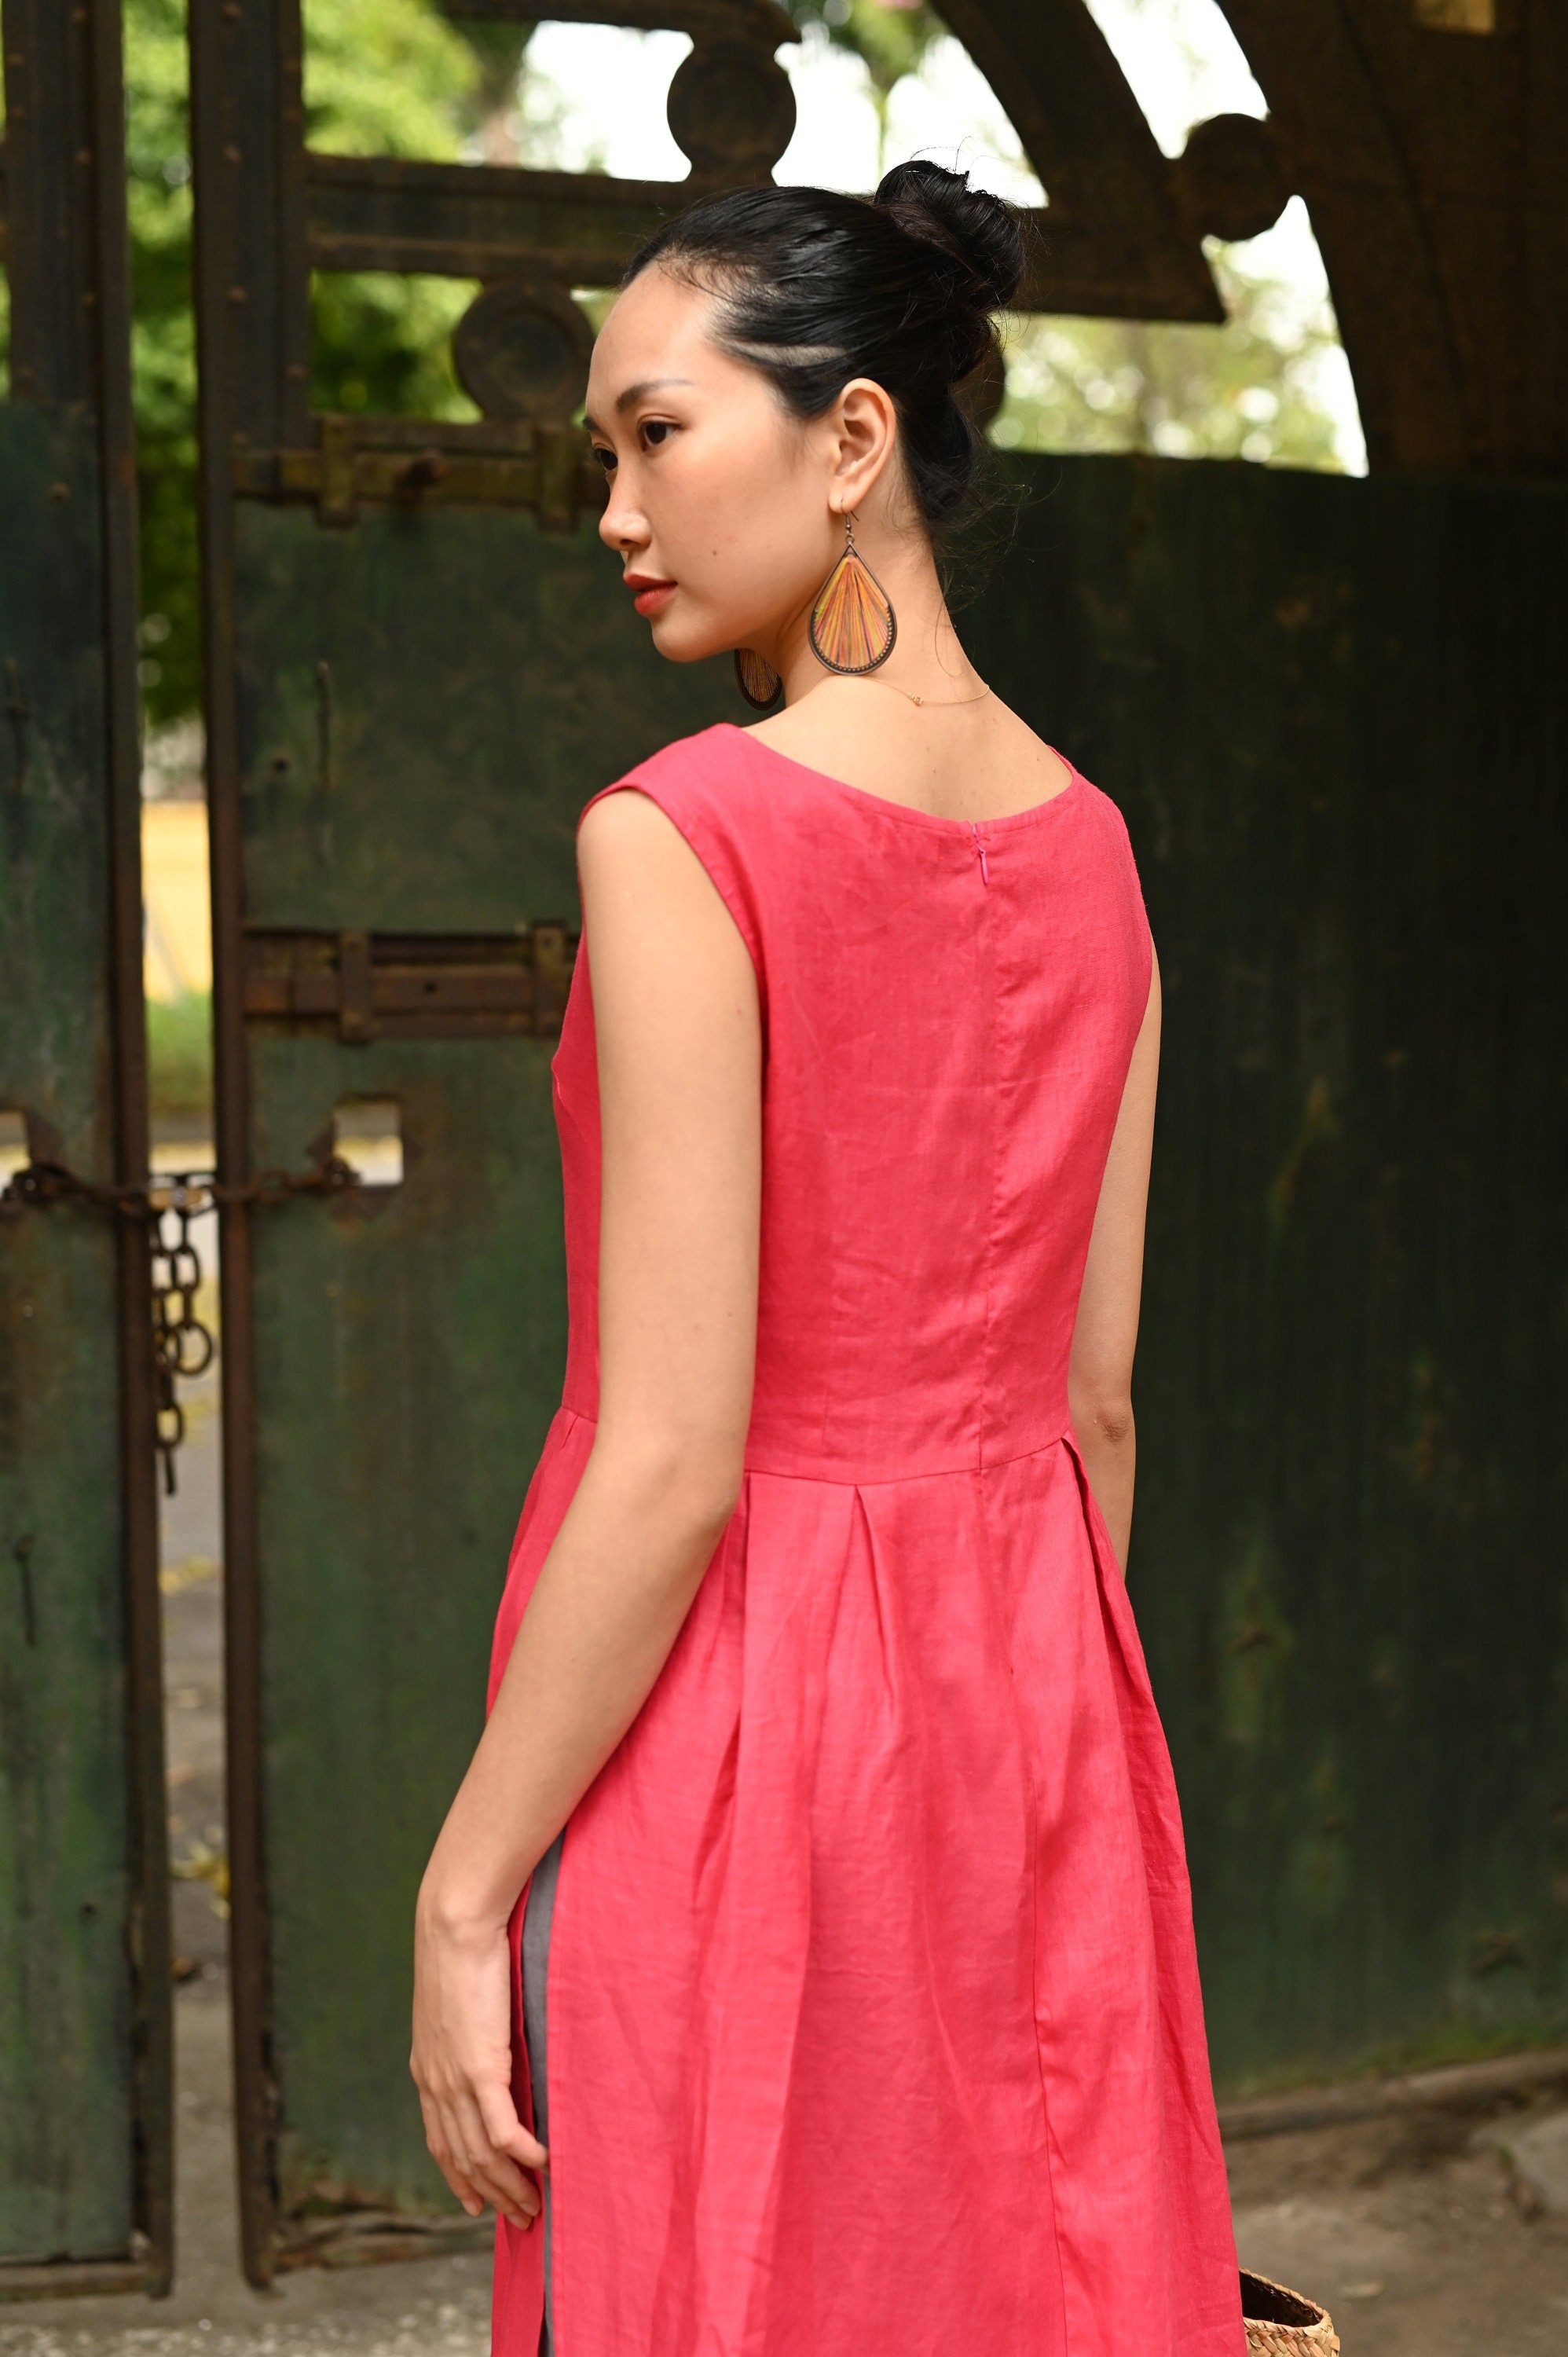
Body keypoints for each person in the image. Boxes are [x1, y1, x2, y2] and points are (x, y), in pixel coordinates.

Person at [410, 161, 1246, 2357]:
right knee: (1009, 2283)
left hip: (722, 1728)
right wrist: (1024, 1748)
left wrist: (463, 1883)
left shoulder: (683, 833)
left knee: (719, 2277)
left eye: (655, 431)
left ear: (851, 438)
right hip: (1027, 1722)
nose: (613, 505)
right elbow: (1090, 1410)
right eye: (601, 452)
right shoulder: (1094, 849)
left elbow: (681, 1451)